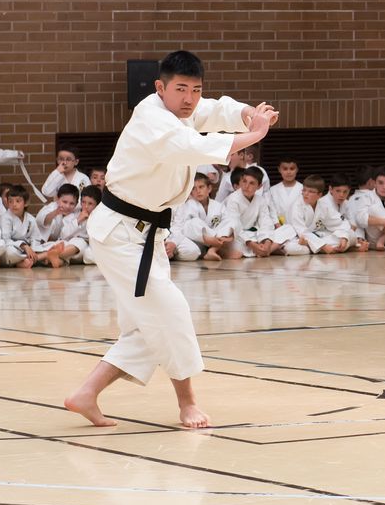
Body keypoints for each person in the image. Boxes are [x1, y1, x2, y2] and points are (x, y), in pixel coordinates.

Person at [65, 50, 277, 428]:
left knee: (147, 326)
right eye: (181, 89)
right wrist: (255, 133)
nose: (189, 98)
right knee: (171, 312)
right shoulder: (152, 119)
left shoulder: (184, 109)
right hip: (120, 233)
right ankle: (188, 403)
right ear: (160, 88)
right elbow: (194, 146)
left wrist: (248, 113)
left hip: (146, 233)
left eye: (196, 89)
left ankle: (86, 394)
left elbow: (216, 109)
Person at [224, 167, 292, 257]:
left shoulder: (260, 200)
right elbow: (235, 226)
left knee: (288, 229)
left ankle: (266, 250)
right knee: (231, 243)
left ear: (259, 186)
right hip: (239, 238)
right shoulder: (233, 199)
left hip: (255, 236)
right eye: (244, 181)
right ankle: (266, 251)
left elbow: (266, 223)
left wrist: (267, 242)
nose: (246, 186)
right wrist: (252, 245)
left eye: (251, 183)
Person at [283, 175, 354, 255]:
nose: (306, 194)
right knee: (291, 248)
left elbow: (340, 222)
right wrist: (323, 246)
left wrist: (344, 237)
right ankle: (317, 248)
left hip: (317, 236)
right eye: (304, 190)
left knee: (351, 235)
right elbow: (302, 231)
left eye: (310, 191)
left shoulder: (323, 205)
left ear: (319, 195)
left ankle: (313, 248)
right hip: (297, 237)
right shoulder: (297, 206)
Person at [173, 172, 236, 261]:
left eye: (201, 187)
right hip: (196, 242)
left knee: (231, 221)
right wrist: (211, 238)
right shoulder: (188, 205)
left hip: (216, 239)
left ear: (209, 188)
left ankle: (212, 250)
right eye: (194, 188)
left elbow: (227, 222)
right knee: (194, 222)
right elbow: (185, 229)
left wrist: (222, 235)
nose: (198, 191)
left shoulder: (218, 206)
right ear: (191, 192)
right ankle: (215, 245)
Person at [0, 184, 63, 268]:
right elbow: (5, 240)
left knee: (51, 245)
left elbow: (35, 238)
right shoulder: (5, 218)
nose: (14, 204)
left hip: (28, 249)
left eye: (18, 201)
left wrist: (32, 249)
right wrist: (24, 246)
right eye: (10, 201)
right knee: (10, 252)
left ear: (26, 203)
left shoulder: (30, 219)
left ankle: (28, 260)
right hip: (14, 248)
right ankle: (39, 258)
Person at [35, 183, 87, 267]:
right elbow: (39, 220)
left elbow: (66, 235)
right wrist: (55, 213)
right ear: (57, 199)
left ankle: (50, 258)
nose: (67, 206)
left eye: (72, 203)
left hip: (62, 244)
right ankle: (43, 257)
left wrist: (78, 220)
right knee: (61, 247)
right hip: (45, 244)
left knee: (79, 243)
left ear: (77, 203)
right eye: (64, 202)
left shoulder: (77, 214)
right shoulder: (51, 207)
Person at [267, 157, 303, 224]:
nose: (288, 172)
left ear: (297, 169)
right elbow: (272, 210)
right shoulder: (273, 190)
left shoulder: (303, 189)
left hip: (300, 226)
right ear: (279, 170)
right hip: (279, 226)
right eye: (285, 169)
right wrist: (276, 223)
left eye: (292, 169)